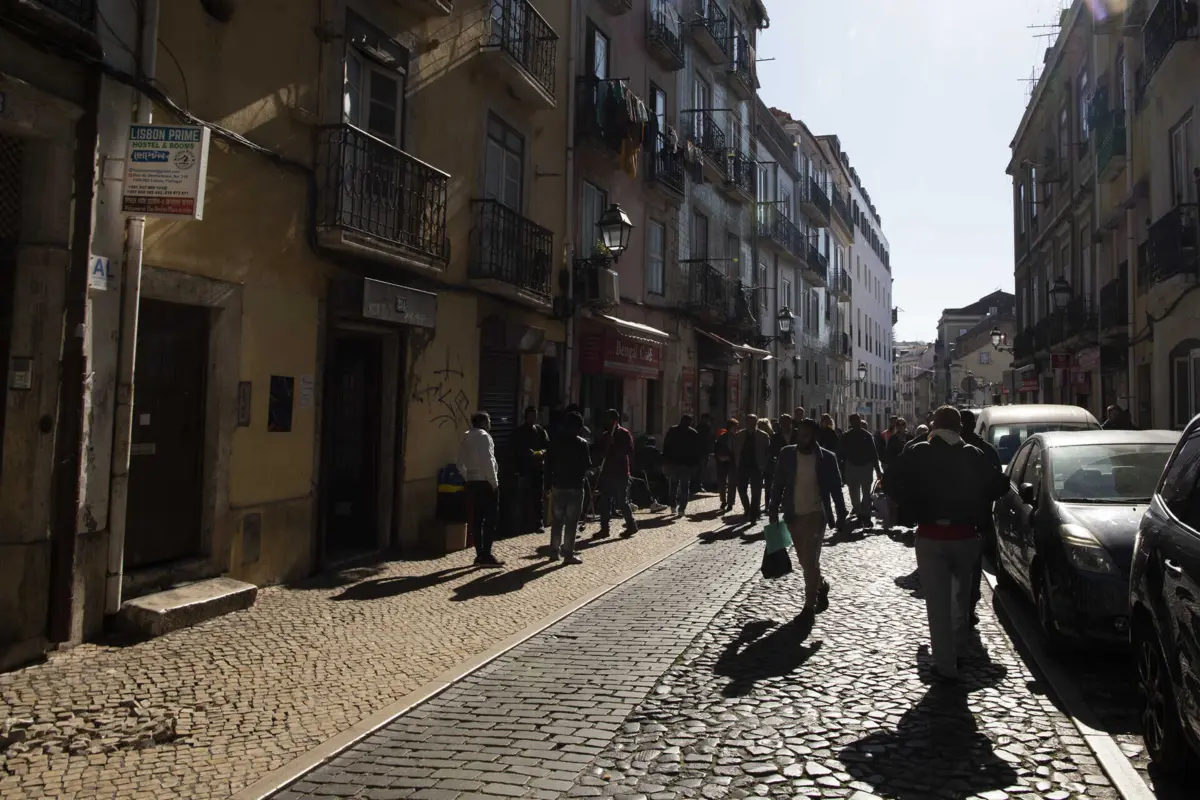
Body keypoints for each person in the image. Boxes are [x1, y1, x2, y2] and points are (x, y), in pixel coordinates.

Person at [885, 406, 1007, 682]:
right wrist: (977, 500)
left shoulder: (918, 452)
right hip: (965, 537)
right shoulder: (972, 455)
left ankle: (945, 665)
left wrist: (908, 504)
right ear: (959, 429)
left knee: (937, 605)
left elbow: (890, 480)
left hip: (930, 535)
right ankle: (960, 650)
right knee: (960, 600)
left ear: (934, 426)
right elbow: (999, 485)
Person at [769, 418, 849, 618]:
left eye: (807, 433)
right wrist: (772, 508)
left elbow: (836, 490)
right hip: (792, 514)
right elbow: (777, 482)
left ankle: (809, 605)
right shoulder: (787, 454)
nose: (802, 436)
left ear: (814, 436)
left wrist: (841, 514)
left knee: (811, 559)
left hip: (816, 514)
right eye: (800, 432)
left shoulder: (827, 458)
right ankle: (821, 584)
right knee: (804, 560)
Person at [959, 409, 1002, 626]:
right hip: (977, 519)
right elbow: (999, 483)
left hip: (952, 519)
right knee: (973, 566)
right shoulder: (985, 450)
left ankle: (959, 607)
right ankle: (969, 607)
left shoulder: (948, 450)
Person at [456, 412, 503, 567]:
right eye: (489, 421)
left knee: (476, 519)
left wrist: (467, 477)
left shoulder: (466, 436)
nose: (490, 424)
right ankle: (487, 554)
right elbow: (488, 460)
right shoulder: (484, 437)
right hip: (485, 482)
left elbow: (459, 462)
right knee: (490, 519)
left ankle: (479, 554)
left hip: (472, 482)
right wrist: (494, 483)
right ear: (483, 422)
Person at [545, 411, 591, 564]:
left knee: (557, 521)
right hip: (575, 487)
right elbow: (586, 466)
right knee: (571, 522)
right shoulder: (582, 444)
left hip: (558, 486)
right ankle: (568, 554)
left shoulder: (555, 442)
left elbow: (548, 465)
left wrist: (547, 485)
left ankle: (554, 551)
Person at [595, 409, 638, 537]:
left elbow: (628, 451)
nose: (605, 422)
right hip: (607, 472)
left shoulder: (624, 434)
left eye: (608, 419)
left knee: (621, 501)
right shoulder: (605, 435)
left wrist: (614, 445)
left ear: (614, 420)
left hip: (620, 472)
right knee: (605, 500)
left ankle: (631, 525)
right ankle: (604, 528)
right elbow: (600, 452)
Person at [838, 414, 882, 527]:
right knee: (854, 494)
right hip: (851, 467)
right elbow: (840, 454)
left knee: (866, 493)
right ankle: (859, 513)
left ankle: (866, 515)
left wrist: (877, 469)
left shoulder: (867, 436)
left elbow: (873, 454)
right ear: (850, 422)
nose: (856, 423)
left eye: (857, 420)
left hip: (866, 467)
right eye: (853, 421)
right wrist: (842, 470)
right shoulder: (846, 436)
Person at [514, 406, 550, 534]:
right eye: (531, 416)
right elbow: (514, 449)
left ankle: (538, 522)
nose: (533, 418)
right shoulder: (519, 432)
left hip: (537, 468)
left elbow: (548, 447)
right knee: (522, 497)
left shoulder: (540, 431)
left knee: (537, 496)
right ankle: (521, 524)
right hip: (523, 469)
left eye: (535, 416)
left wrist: (541, 452)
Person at [662, 414, 703, 517]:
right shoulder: (693, 433)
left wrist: (666, 459)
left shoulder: (673, 430)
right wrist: (696, 464)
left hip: (675, 463)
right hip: (686, 464)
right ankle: (681, 508)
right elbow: (697, 450)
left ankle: (673, 506)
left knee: (674, 485)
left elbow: (666, 445)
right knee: (684, 486)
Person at [733, 413, 771, 521]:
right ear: (746, 422)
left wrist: (764, 463)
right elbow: (734, 449)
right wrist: (736, 462)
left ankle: (754, 512)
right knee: (741, 489)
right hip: (742, 466)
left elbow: (768, 451)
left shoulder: (763, 436)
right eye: (749, 421)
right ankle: (747, 508)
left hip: (757, 466)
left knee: (756, 491)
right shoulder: (739, 435)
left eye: (754, 421)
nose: (752, 424)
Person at [714, 419, 739, 512]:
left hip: (733, 463)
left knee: (732, 483)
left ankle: (730, 503)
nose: (736, 429)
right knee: (722, 483)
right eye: (735, 427)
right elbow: (716, 449)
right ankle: (723, 500)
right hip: (722, 462)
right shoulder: (722, 437)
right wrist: (720, 457)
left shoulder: (738, 437)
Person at [695, 413, 715, 492]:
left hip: (702, 452)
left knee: (701, 469)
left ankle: (698, 485)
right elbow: (708, 440)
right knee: (701, 470)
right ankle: (698, 485)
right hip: (702, 452)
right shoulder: (704, 428)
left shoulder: (700, 427)